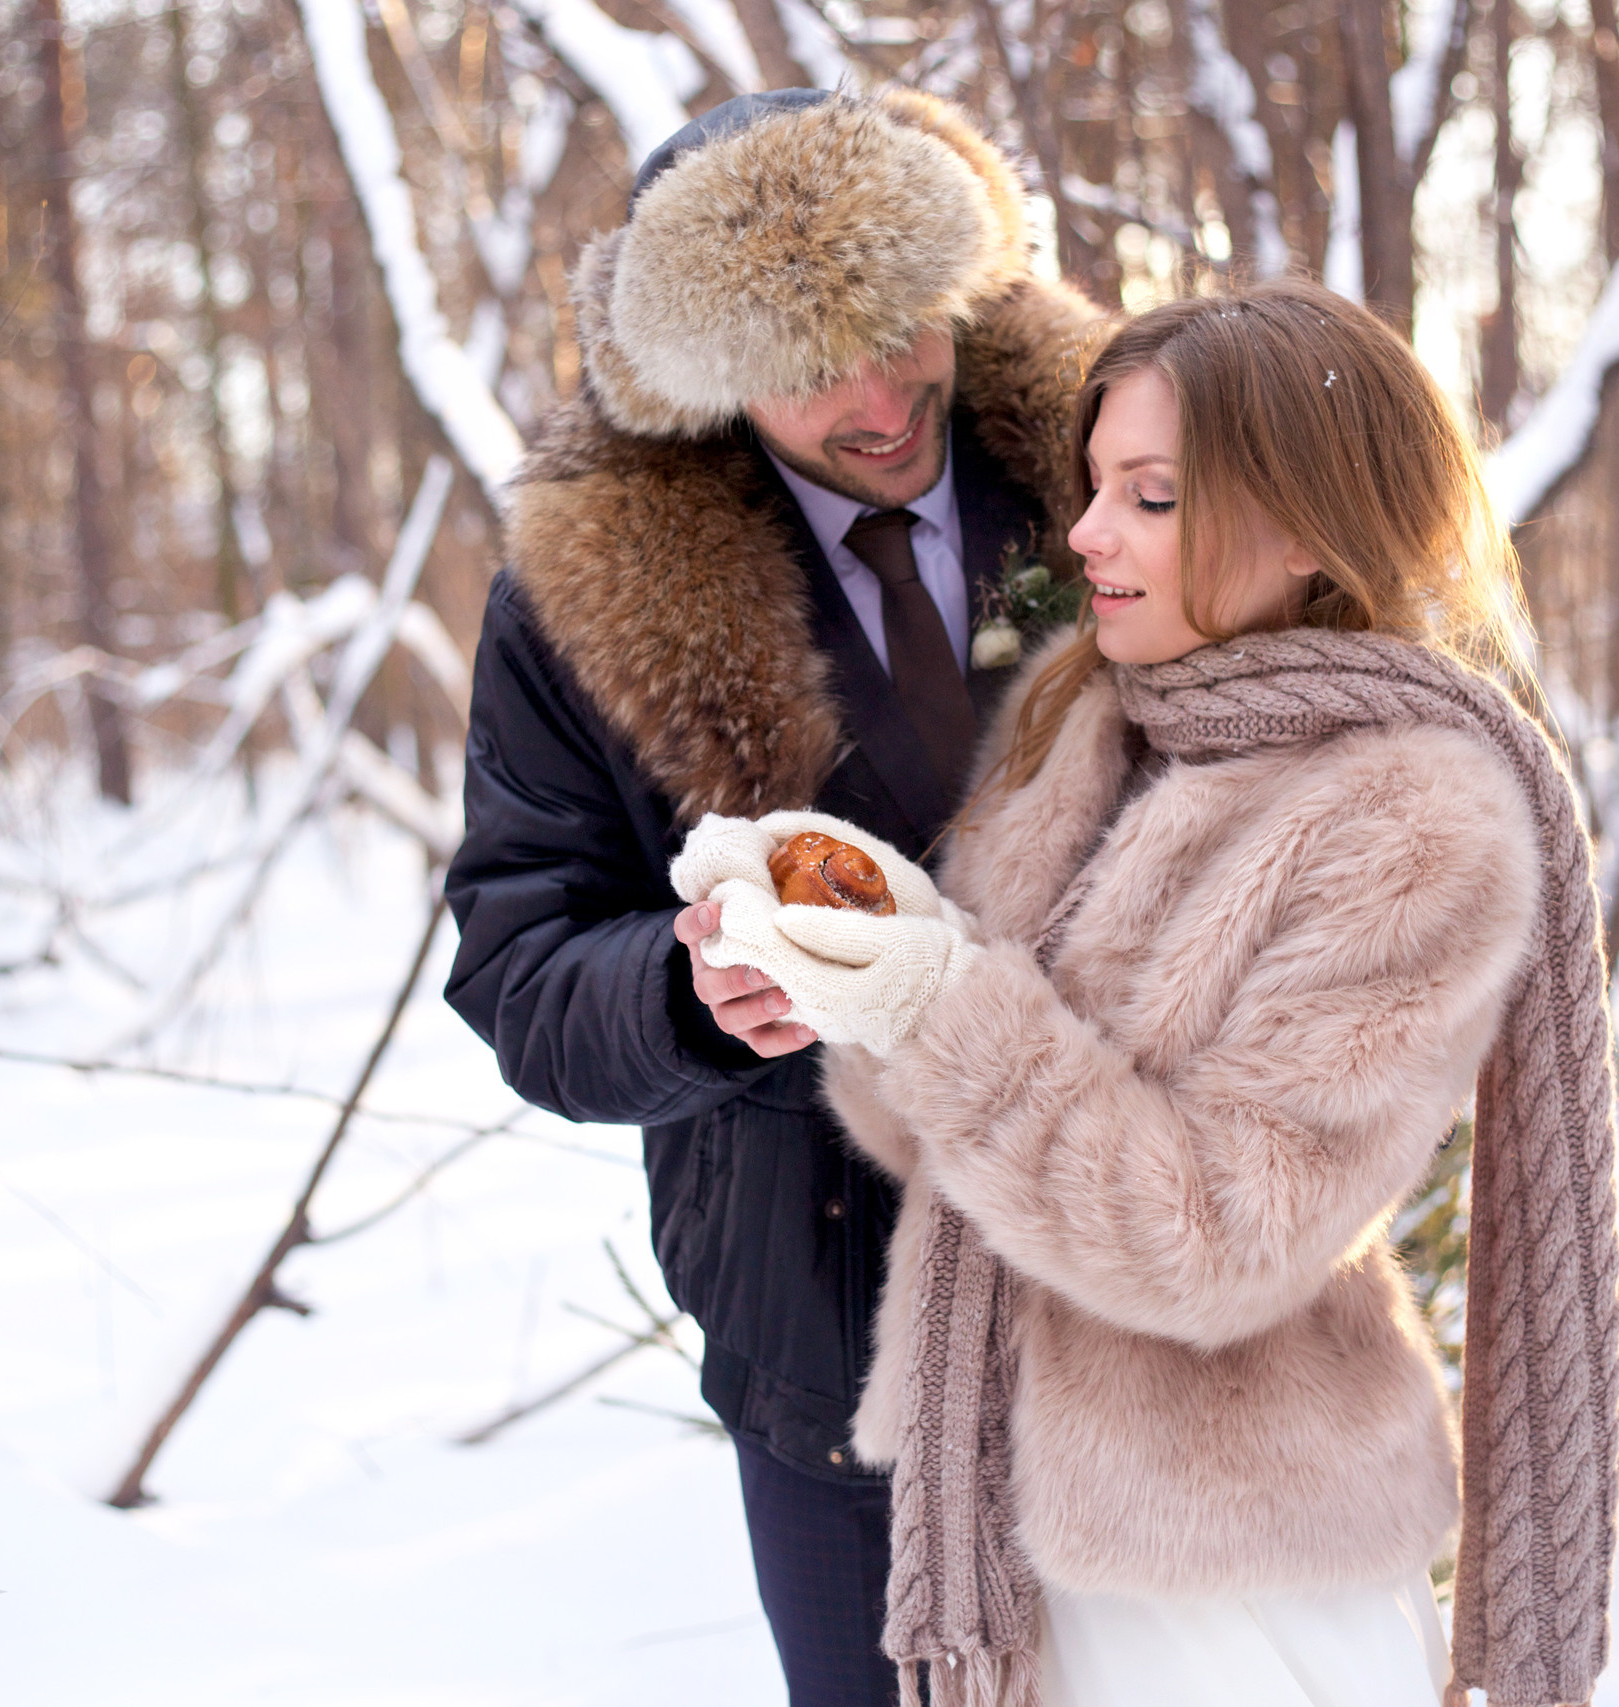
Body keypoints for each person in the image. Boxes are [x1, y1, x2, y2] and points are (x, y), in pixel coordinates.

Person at [790, 285, 1619, 1706]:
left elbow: (1218, 1239)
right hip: (1024, 1538)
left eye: (1152, 497)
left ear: (1308, 525)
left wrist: (940, 1004)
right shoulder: (1092, 713)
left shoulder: (1416, 816)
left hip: (1243, 1580)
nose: (1087, 536)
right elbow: (935, 1140)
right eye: (1097, 485)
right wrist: (854, 961)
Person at [442, 88, 1099, 1706]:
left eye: (902, 330)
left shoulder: (1108, 474)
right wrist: (679, 993)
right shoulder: (575, 603)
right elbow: (519, 959)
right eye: (811, 366)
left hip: (1133, 1276)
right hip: (831, 1329)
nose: (882, 400)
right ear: (711, 378)